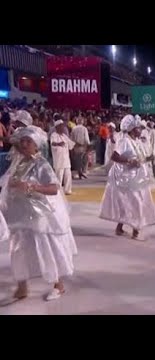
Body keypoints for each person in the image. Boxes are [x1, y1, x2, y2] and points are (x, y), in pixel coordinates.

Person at [0, 126, 77, 304]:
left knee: (45, 249)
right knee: (19, 249)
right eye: (23, 141)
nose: (24, 144)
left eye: (29, 141)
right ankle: (22, 285)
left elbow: (53, 188)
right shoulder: (18, 161)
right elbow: (12, 141)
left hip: (39, 216)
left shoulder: (41, 163)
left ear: (37, 146)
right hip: (19, 215)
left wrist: (31, 186)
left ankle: (58, 284)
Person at [99, 115, 155, 241]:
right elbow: (114, 157)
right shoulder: (124, 141)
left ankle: (119, 228)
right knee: (136, 202)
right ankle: (136, 231)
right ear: (131, 129)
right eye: (138, 128)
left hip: (136, 178)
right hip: (125, 178)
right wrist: (129, 161)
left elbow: (139, 158)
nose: (140, 130)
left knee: (129, 202)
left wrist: (149, 158)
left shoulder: (135, 141)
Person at [50, 120, 76, 195]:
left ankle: (67, 190)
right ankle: (58, 191)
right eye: (61, 126)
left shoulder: (64, 136)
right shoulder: (54, 135)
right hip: (58, 159)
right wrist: (59, 143)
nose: (63, 128)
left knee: (68, 175)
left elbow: (71, 145)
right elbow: (53, 143)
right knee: (59, 176)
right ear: (57, 127)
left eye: (63, 126)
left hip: (66, 159)